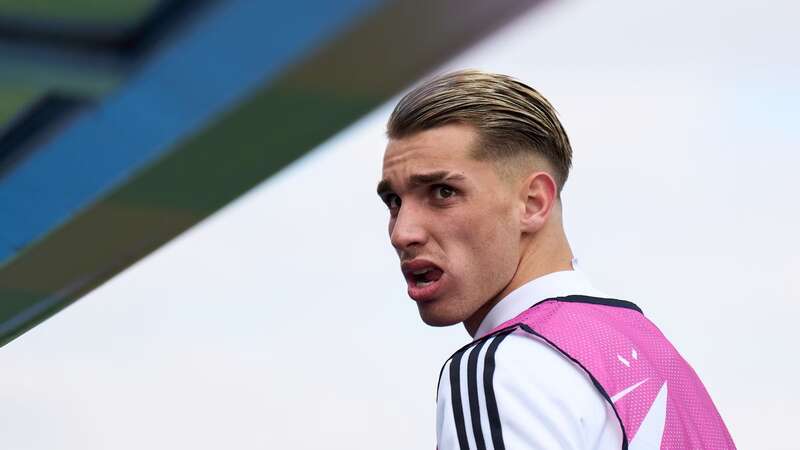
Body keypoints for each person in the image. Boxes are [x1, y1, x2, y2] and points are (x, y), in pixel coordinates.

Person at [376, 70, 736, 449]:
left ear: (533, 203)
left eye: (443, 192)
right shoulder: (658, 358)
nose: (403, 232)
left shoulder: (502, 368)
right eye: (394, 202)